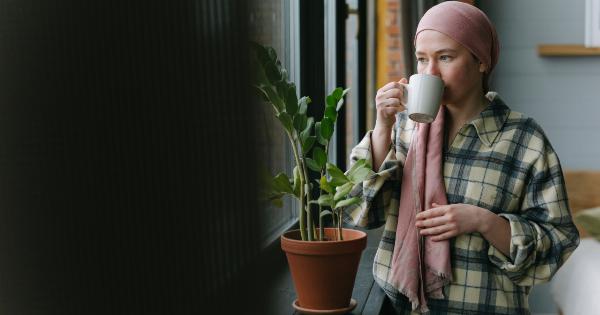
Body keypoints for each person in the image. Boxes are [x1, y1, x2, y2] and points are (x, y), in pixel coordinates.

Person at [345, 2, 580, 314]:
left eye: (445, 57)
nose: (430, 72)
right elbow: (362, 212)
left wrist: (483, 221)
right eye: (421, 59)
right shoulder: (403, 128)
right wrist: (381, 126)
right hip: (398, 306)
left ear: (480, 61)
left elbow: (558, 240)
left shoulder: (524, 138)